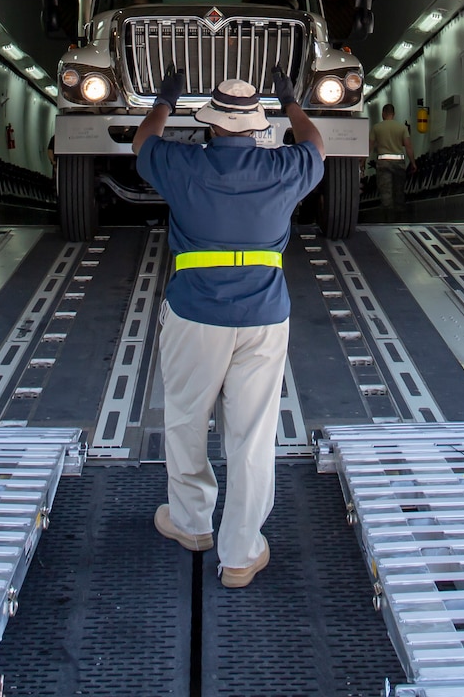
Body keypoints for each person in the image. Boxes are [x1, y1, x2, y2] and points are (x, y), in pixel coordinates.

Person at [133, 66, 324, 588]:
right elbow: (316, 144)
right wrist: (291, 102)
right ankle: (240, 553)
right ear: (257, 128)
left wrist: (164, 100)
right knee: (254, 434)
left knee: (187, 418)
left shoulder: (182, 165)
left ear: (211, 127)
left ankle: (192, 524)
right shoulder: (286, 168)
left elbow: (142, 141)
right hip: (264, 317)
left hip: (195, 313)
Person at [370, 103, 415, 220]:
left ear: (383, 114)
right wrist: (413, 163)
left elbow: (369, 146)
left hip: (383, 163)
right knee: (399, 191)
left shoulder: (376, 128)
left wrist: (362, 162)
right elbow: (408, 146)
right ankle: (400, 219)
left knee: (386, 193)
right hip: (399, 164)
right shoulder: (402, 128)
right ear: (393, 114)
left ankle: (388, 220)